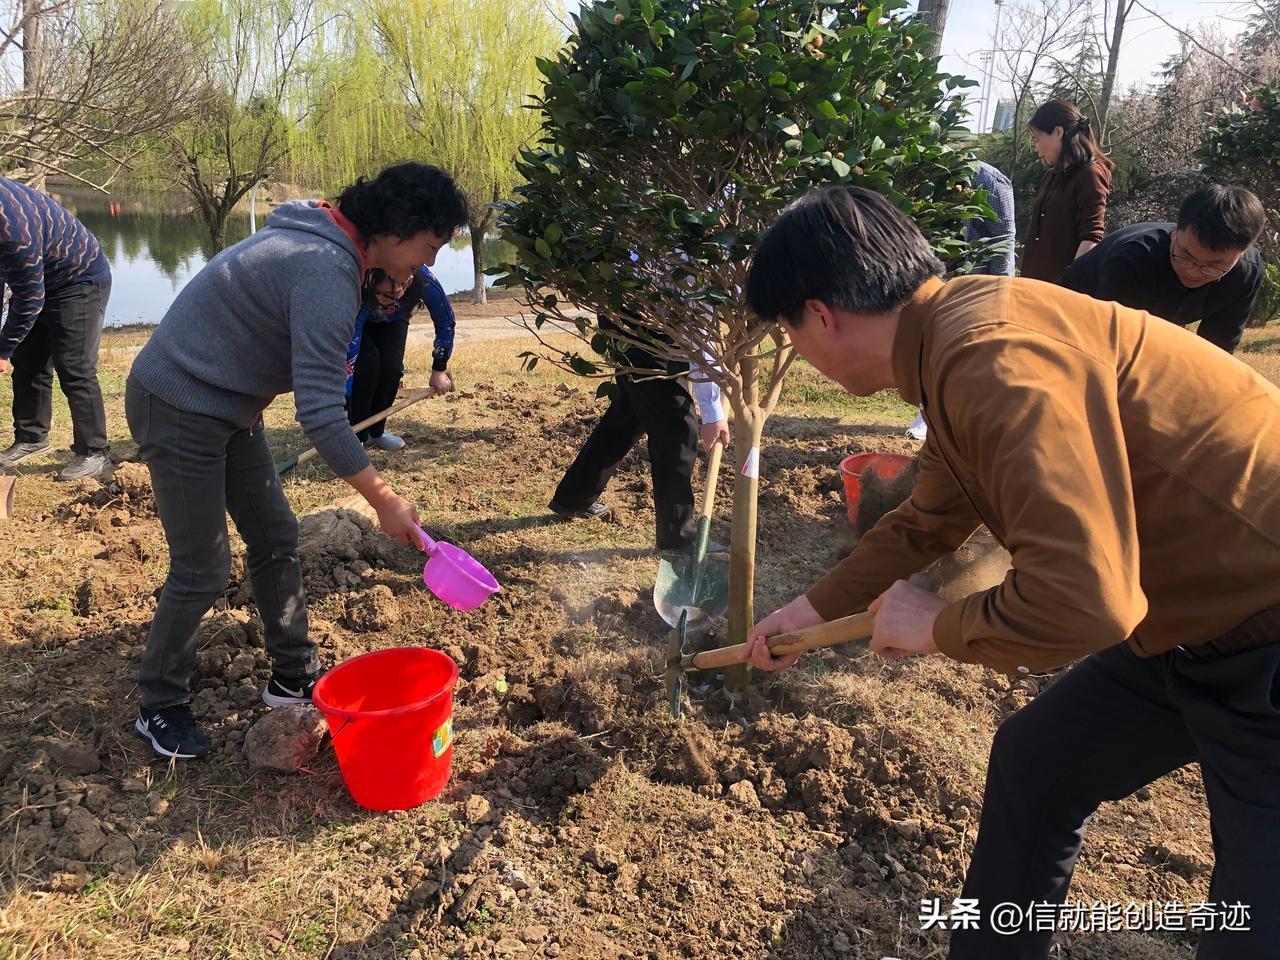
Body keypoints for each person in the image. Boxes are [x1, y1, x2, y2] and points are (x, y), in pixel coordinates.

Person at [742, 185, 1280, 960]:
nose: (803, 353)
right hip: (1187, 626)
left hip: (1263, 633)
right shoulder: (955, 335)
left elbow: (1089, 602)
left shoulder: (988, 356)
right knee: (1039, 763)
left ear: (821, 316)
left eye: (791, 334)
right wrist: (810, 610)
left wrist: (939, 627)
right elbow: (931, 517)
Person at [126, 162, 469, 760]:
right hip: (178, 402)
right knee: (203, 567)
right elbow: (320, 413)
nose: (430, 264)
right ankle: (159, 704)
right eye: (430, 245)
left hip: (231, 406)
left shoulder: (329, 244)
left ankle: (292, 675)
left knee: (277, 536)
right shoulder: (324, 270)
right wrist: (384, 499)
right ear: (398, 227)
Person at [548, 320, 729, 552]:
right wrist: (712, 413)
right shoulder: (702, 285)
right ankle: (678, 537)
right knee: (676, 427)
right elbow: (699, 331)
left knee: (629, 415)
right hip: (651, 336)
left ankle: (573, 497)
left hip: (626, 326)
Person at [1059, 184, 1266, 353]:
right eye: (1186, 256)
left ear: (1240, 255)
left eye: (1213, 266)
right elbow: (1110, 345)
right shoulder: (1132, 259)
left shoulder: (1246, 273)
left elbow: (1218, 348)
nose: (1193, 272)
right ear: (1175, 233)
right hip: (1071, 316)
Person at [0, 177, 114, 481]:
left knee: (74, 367)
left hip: (80, 278)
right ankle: (32, 438)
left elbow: (30, 297)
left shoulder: (13, 229)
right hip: (41, 274)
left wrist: (2, 350)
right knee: (28, 361)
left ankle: (94, 453)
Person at [906, 160, 1016, 440]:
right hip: (933, 282)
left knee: (974, 357)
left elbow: (1003, 241)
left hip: (976, 287)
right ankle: (929, 414)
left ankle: (974, 419)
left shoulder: (990, 181)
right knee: (929, 351)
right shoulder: (924, 169)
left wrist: (1000, 293)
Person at [347, 264, 455, 449]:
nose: (386, 299)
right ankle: (356, 435)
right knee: (366, 366)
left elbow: (445, 323)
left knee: (392, 369)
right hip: (359, 316)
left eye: (394, 292)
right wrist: (339, 395)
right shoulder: (362, 275)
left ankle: (376, 432)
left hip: (395, 319)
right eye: (381, 293)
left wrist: (439, 369)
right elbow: (350, 357)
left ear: (409, 281)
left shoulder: (424, 278)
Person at [1019, 99, 1113, 282]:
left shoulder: (1090, 175)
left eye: (1037, 140)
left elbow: (1091, 236)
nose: (1036, 148)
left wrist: (1071, 284)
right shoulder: (1051, 176)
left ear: (1058, 132)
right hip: (1034, 287)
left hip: (1061, 294)